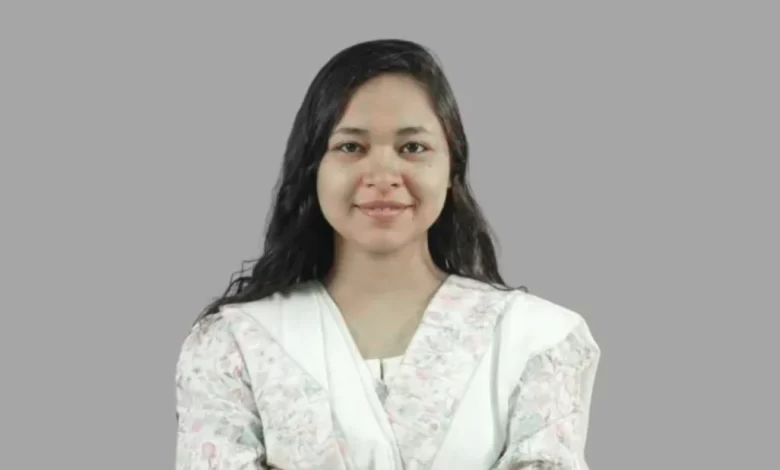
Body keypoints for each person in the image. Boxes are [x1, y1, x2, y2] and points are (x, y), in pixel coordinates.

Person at [174, 38, 601, 470]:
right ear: (312, 168)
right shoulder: (234, 344)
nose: (382, 175)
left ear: (451, 168)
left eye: (412, 148)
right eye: (351, 147)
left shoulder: (537, 340)